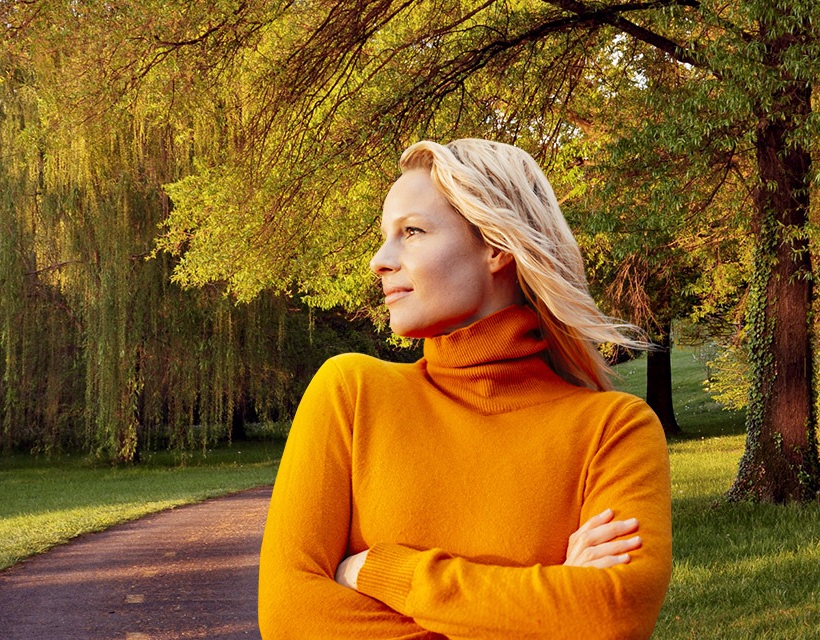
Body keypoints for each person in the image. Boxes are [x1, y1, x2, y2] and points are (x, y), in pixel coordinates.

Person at [258, 138, 672, 639]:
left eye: (411, 232)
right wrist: (542, 609)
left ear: (496, 245)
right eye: (385, 235)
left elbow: (613, 616)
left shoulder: (613, 430)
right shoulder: (351, 393)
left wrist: (378, 570)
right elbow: (288, 617)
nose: (379, 261)